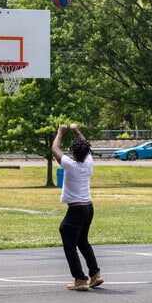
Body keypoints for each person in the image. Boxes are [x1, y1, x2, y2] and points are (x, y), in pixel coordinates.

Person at [51, 123, 104, 291]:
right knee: (82, 241)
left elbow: (54, 149)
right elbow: (85, 145)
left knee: (68, 239)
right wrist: (75, 130)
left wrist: (60, 132)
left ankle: (80, 279)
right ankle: (95, 274)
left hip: (77, 209)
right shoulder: (88, 161)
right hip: (89, 208)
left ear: (73, 153)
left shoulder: (70, 165)